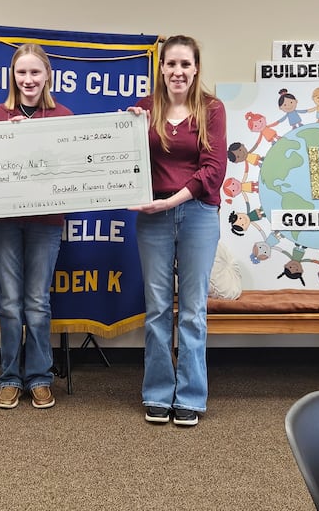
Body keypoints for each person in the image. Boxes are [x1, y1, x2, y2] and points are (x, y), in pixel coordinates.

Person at [127, 35, 227, 427]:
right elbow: (120, 156)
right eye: (171, 64)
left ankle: (189, 396)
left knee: (192, 311)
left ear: (196, 68)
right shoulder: (144, 110)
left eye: (185, 64)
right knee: (156, 310)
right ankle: (156, 393)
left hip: (198, 213)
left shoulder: (212, 110)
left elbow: (213, 169)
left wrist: (172, 201)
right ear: (161, 68)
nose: (178, 71)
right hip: (153, 219)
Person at [0, 43, 73, 410]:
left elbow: (70, 170)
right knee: (11, 303)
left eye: (35, 72)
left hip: (46, 223)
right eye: (22, 72)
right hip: (5, 223)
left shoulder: (63, 116)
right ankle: (10, 377)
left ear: (47, 75)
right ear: (12, 76)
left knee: (37, 302)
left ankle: (40, 377)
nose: (28, 79)